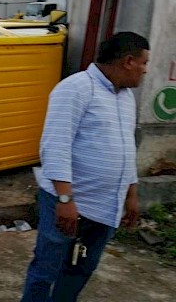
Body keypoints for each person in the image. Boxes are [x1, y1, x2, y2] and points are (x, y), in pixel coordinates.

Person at [21, 31, 150, 302]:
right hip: (69, 202)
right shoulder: (75, 88)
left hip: (106, 204)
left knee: (82, 268)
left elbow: (126, 148)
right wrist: (65, 198)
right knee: (47, 269)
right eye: (144, 63)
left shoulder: (125, 97)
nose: (145, 71)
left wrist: (132, 194)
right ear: (128, 61)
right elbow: (55, 145)